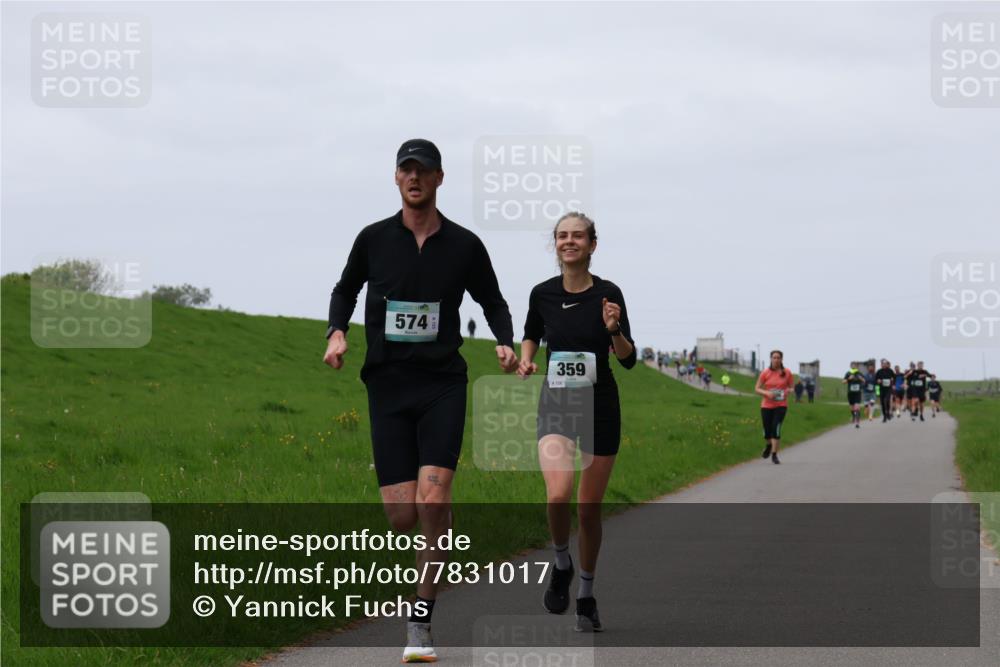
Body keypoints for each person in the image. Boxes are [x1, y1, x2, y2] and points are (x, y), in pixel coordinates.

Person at [324, 139, 518, 663]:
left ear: (439, 179)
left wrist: (504, 340)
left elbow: (492, 299)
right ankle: (441, 511)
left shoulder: (465, 245)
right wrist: (336, 332)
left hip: (442, 384)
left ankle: (420, 620)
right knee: (402, 517)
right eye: (406, 169)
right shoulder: (373, 239)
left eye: (423, 170)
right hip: (387, 385)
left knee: (431, 501)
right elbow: (345, 290)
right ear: (396, 178)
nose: (414, 177)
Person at [517, 212, 636, 633]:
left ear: (592, 244)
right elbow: (531, 334)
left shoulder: (608, 293)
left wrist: (614, 330)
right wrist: (527, 359)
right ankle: (561, 562)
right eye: (562, 236)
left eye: (578, 236)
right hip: (556, 403)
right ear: (555, 243)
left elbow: (628, 359)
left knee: (588, 509)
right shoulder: (542, 293)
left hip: (600, 404)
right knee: (557, 494)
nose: (569, 242)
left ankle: (585, 594)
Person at [755, 350, 795, 464]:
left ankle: (774, 455)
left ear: (781, 359)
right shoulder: (765, 373)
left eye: (778, 358)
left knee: (775, 429)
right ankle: (768, 445)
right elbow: (757, 388)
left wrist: (788, 391)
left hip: (781, 405)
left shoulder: (787, 372)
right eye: (774, 357)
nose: (776, 360)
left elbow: (792, 387)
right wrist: (766, 393)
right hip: (766, 405)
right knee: (767, 431)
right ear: (771, 359)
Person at [843, 364, 865, 428]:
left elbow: (864, 381)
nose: (853, 366)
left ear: (857, 366)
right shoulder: (848, 373)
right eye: (852, 365)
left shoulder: (859, 373)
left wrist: (861, 379)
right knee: (852, 408)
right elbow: (843, 382)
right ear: (850, 366)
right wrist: (848, 379)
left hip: (857, 393)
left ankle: (857, 423)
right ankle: (853, 416)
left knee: (857, 408)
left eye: (855, 365)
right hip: (850, 393)